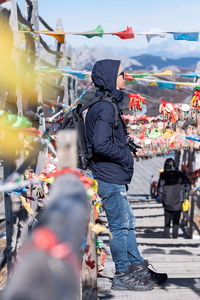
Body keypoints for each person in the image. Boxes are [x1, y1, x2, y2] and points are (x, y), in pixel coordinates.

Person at [85, 59, 167, 291]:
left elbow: (105, 139)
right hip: (108, 176)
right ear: (111, 76)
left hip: (112, 175)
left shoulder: (105, 104)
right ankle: (122, 273)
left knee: (127, 224)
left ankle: (136, 267)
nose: (125, 78)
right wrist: (124, 155)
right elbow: (100, 144)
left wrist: (124, 146)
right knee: (120, 226)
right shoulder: (105, 107)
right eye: (122, 73)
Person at [158, 158, 191, 238]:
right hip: (178, 201)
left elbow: (160, 189)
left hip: (167, 201)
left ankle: (166, 237)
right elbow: (188, 187)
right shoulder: (181, 174)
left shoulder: (163, 175)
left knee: (167, 221)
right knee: (176, 221)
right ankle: (175, 237)